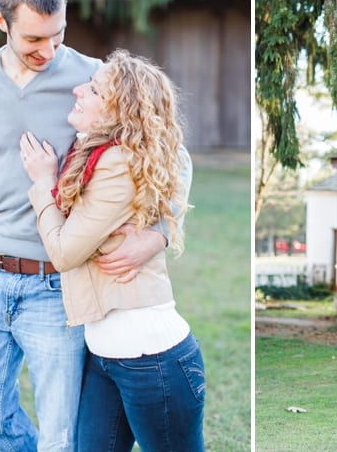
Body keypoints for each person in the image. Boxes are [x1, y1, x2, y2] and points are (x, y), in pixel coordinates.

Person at [0, 0, 190, 451]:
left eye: (58, 35)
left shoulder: (95, 80)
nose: (49, 49)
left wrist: (160, 234)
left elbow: (174, 157)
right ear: (2, 22)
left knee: (61, 436)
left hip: (56, 287)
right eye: (34, 40)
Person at [19, 49, 204, 451]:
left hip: (151, 360)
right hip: (104, 356)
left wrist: (41, 184)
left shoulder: (117, 163)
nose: (78, 89)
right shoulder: (95, 151)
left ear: (118, 108)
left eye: (94, 89)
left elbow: (65, 252)